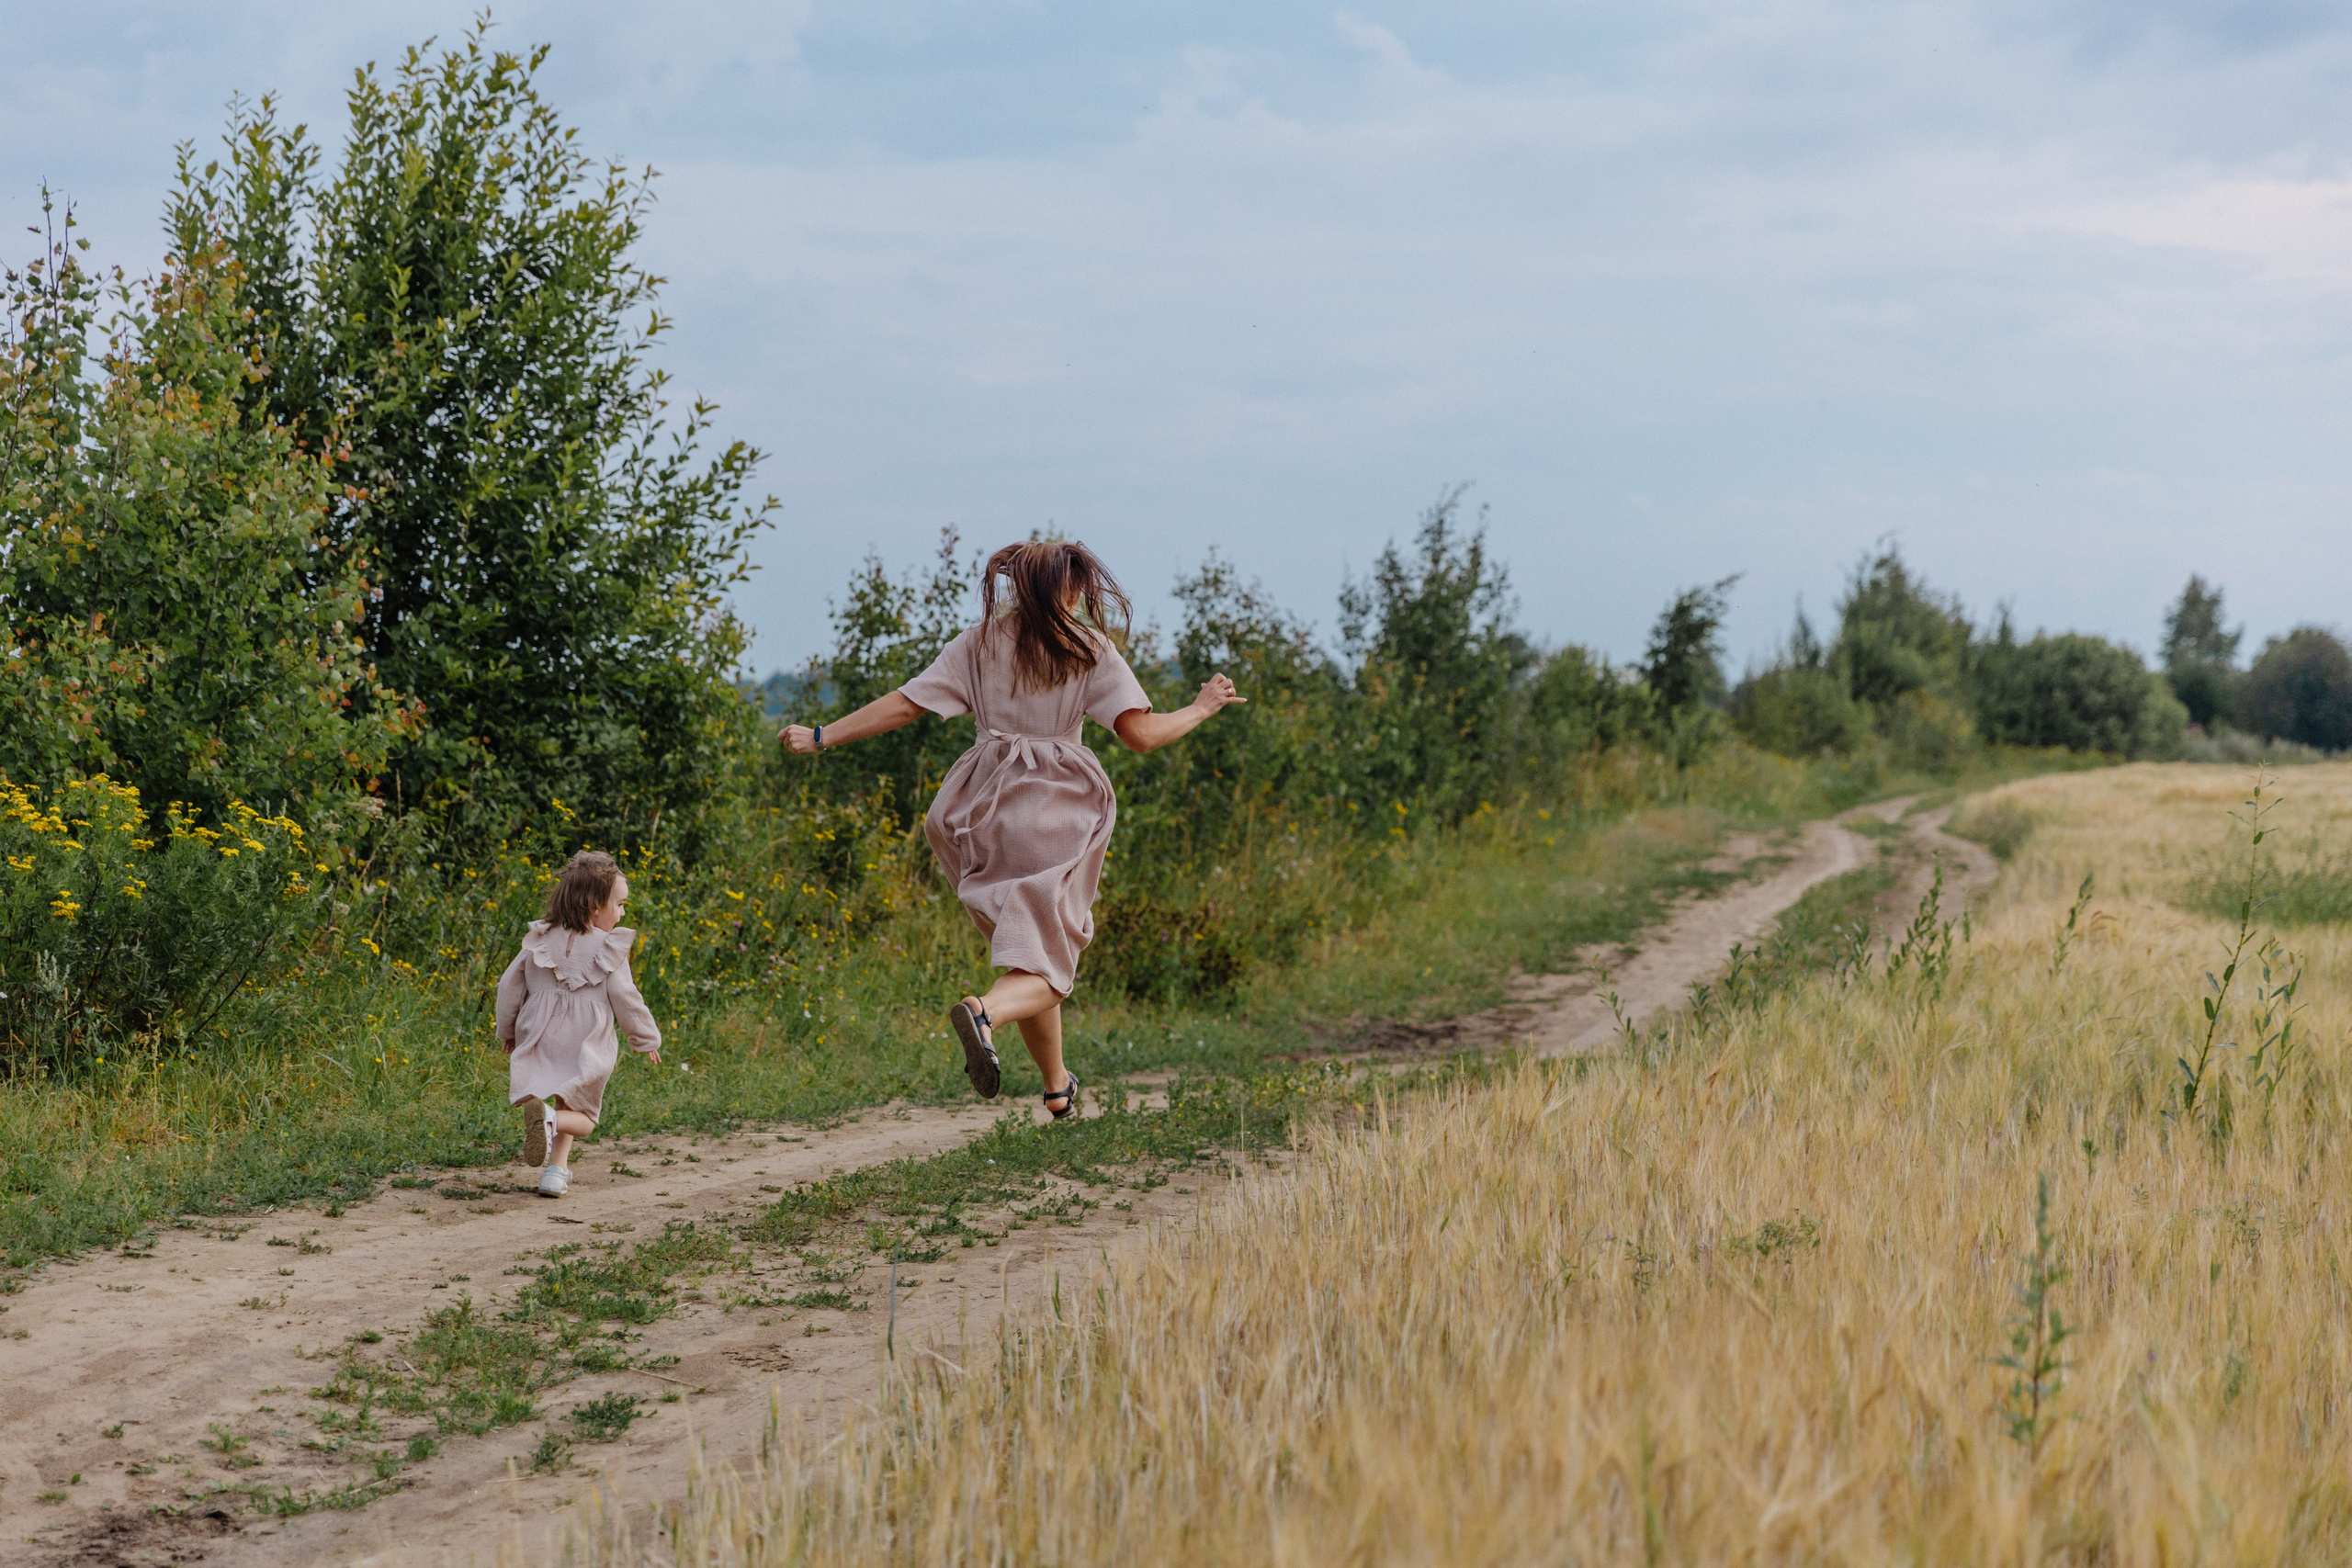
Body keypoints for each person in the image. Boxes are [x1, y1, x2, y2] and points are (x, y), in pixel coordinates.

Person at [782, 540, 1242, 1120]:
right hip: (1056, 809)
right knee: (1052, 966)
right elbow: (1141, 735)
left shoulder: (977, 642)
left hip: (980, 807)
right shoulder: (1086, 647)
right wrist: (1202, 707)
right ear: (1066, 588)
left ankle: (1057, 1087)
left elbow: (904, 705)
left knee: (1030, 953)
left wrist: (822, 735)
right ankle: (985, 1014)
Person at [494, 850, 664, 1197]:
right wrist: (645, 1039)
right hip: (585, 1037)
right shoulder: (609, 948)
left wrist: (507, 1030)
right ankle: (547, 1119)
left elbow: (509, 985)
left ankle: (556, 1171)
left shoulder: (540, 937)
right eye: (619, 904)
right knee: (582, 1115)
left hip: (539, 1031)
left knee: (564, 1098)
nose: (622, 912)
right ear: (593, 906)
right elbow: (626, 997)